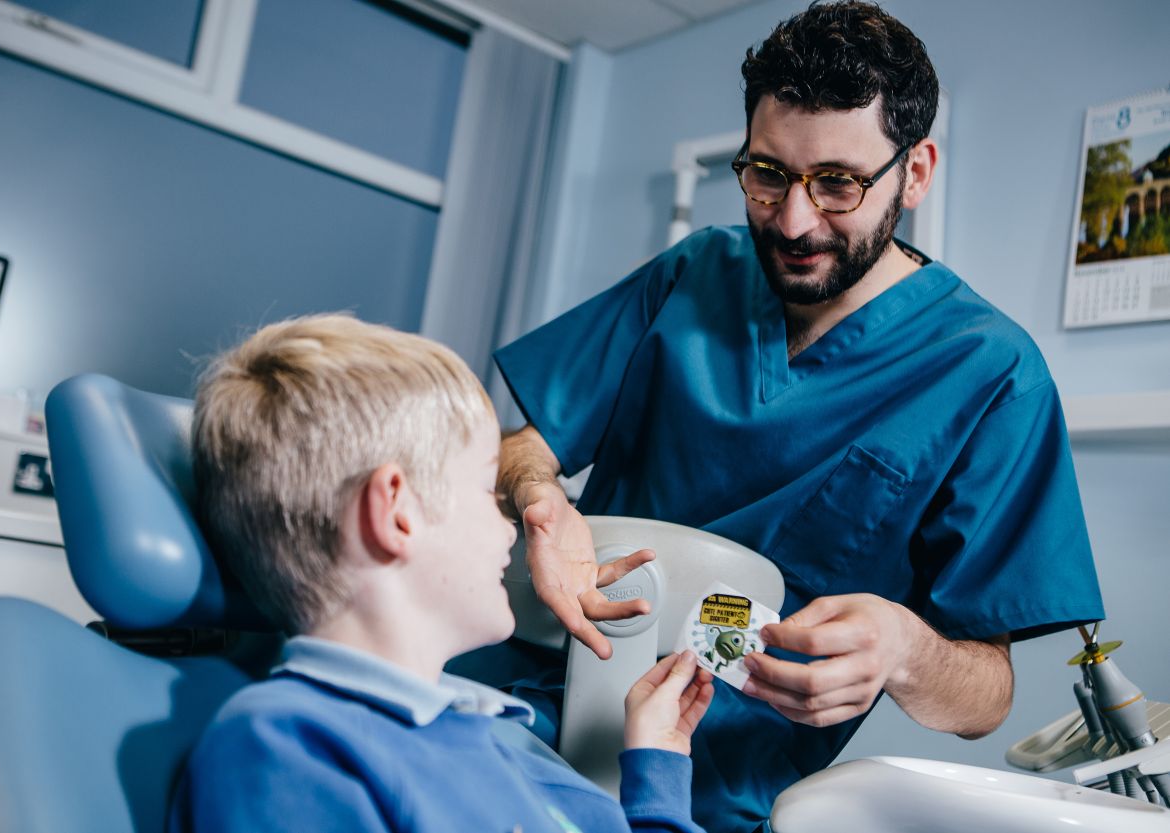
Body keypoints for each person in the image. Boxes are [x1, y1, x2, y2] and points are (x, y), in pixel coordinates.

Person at [490, 1, 1105, 830]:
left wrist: (903, 647)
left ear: (915, 172)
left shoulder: (990, 372)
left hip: (702, 797)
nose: (794, 219)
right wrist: (541, 500)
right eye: (768, 173)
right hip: (511, 714)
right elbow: (524, 448)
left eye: (838, 183)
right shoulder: (692, 274)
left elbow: (984, 695)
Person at [167, 313, 716, 833]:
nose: (511, 529)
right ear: (397, 513)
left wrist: (658, 768)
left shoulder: (500, 743)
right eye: (486, 492)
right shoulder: (285, 747)